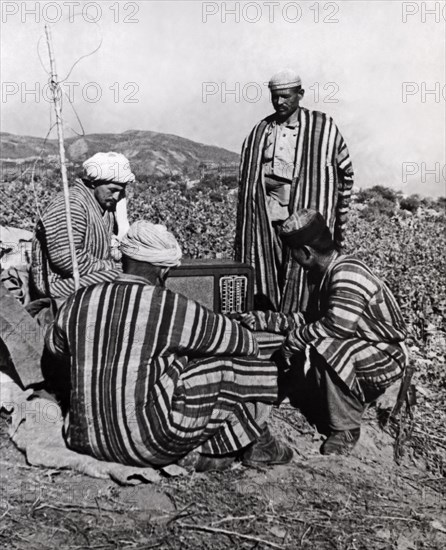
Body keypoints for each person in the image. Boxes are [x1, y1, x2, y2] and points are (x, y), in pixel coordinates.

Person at [45, 221, 292, 471]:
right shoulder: (169, 306)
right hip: (149, 443)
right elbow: (243, 342)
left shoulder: (78, 300)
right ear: (163, 271)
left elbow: (56, 349)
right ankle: (255, 443)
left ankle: (223, 449)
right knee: (238, 366)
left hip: (82, 440)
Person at [240, 209, 408, 455]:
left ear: (306, 253)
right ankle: (337, 401)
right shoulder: (324, 274)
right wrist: (265, 319)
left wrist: (294, 340)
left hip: (385, 355)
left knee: (324, 346)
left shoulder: (347, 273)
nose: (294, 260)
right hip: (362, 347)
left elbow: (336, 327)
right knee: (316, 340)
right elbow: (311, 320)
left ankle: (346, 428)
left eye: (294, 253)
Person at [235, 68, 355, 313]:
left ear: (300, 94)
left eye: (286, 96)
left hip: (304, 214)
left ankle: (301, 324)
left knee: (304, 269)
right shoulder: (261, 130)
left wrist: (338, 219)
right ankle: (266, 321)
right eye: (275, 96)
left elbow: (346, 172)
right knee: (265, 266)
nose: (279, 102)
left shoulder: (323, 127)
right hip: (266, 216)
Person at [30, 152, 134, 302]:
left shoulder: (105, 205)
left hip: (89, 273)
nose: (117, 197)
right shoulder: (71, 206)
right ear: (93, 183)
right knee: (123, 279)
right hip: (59, 282)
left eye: (121, 190)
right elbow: (66, 259)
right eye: (113, 190)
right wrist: (109, 266)